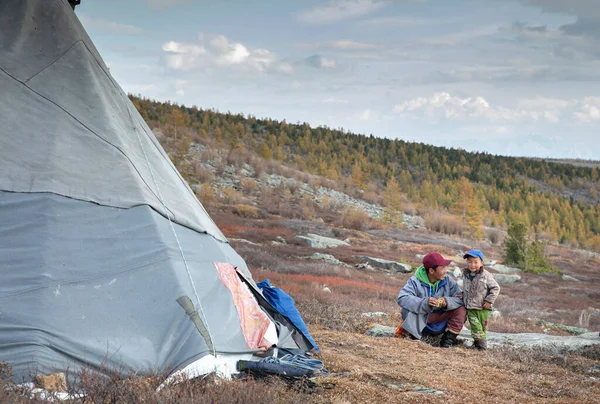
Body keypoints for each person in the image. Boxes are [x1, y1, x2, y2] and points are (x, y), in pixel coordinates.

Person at [396, 252, 467, 348]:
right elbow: (402, 298)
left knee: (461, 309)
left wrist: (447, 301)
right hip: (421, 320)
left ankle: (447, 341)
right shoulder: (414, 281)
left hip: (440, 320)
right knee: (406, 310)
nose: (445, 271)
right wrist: (424, 302)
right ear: (431, 271)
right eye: (442, 268)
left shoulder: (448, 281)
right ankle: (413, 335)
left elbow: (460, 297)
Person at [461, 249, 500, 350]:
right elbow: (467, 288)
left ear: (482, 263)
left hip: (483, 307)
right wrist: (463, 295)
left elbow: (496, 288)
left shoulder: (486, 275)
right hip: (471, 307)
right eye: (469, 262)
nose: (472, 265)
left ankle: (479, 345)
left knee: (482, 327)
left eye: (475, 262)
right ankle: (481, 347)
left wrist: (489, 301)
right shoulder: (466, 274)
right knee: (475, 326)